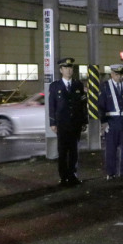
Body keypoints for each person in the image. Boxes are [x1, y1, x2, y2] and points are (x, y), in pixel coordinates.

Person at [49, 57, 88, 186]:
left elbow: (83, 105)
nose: (69, 70)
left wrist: (84, 121)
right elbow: (52, 106)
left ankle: (72, 176)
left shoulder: (78, 85)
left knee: (74, 152)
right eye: (66, 68)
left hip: (75, 123)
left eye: (70, 68)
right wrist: (52, 123)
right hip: (62, 124)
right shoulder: (55, 86)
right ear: (61, 70)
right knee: (62, 152)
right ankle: (63, 177)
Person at [98, 63, 123, 179]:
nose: (119, 77)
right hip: (111, 121)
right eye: (116, 74)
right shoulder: (104, 86)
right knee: (111, 149)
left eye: (121, 75)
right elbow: (100, 106)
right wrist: (103, 122)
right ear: (112, 74)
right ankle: (111, 173)